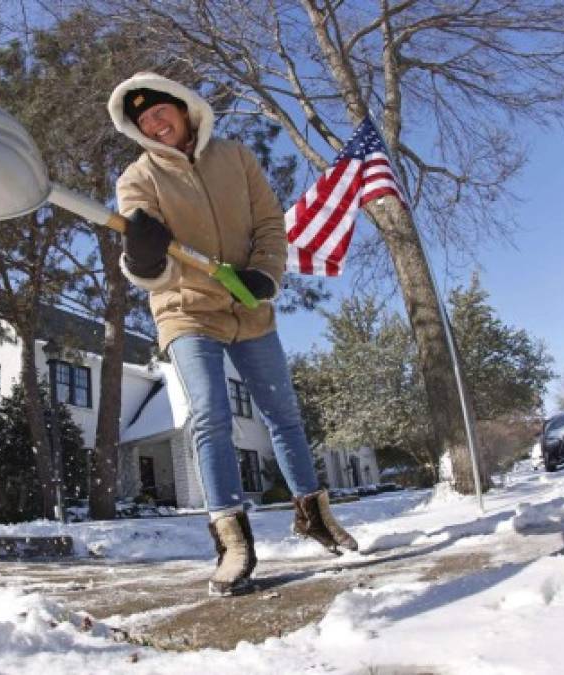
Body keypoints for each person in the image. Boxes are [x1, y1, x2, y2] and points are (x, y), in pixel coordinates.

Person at [108, 73, 359, 597]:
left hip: (247, 303)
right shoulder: (139, 177)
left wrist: (265, 275)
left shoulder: (236, 158)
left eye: (160, 111)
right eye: (144, 120)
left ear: (182, 108)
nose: (155, 123)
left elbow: (270, 223)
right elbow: (142, 260)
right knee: (210, 417)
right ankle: (232, 541)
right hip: (187, 309)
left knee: (284, 416)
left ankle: (313, 514)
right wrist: (143, 251)